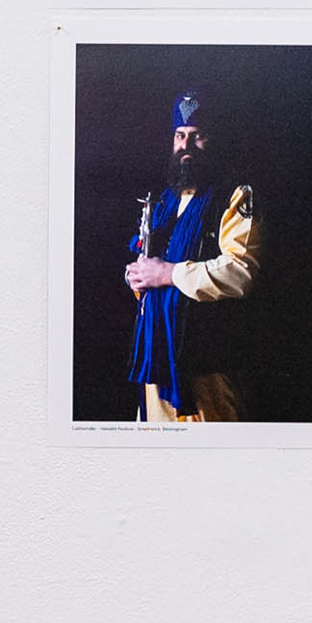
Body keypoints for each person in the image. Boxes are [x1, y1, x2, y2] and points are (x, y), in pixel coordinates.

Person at [125, 89, 259, 422]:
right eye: (180, 136)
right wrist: (137, 276)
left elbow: (240, 272)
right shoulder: (165, 202)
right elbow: (149, 267)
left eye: (197, 136)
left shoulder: (236, 197)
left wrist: (167, 274)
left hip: (206, 372)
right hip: (156, 367)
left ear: (215, 140)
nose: (186, 146)